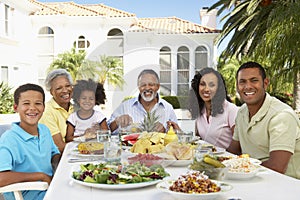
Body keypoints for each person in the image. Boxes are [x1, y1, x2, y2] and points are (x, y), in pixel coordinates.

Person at [227, 61, 300, 179]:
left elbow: (277, 167)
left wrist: (238, 168)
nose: (248, 86)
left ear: (265, 83)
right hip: (252, 179)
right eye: (242, 82)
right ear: (237, 86)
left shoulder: (282, 116)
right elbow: (233, 151)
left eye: (254, 80)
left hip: (286, 186)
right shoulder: (242, 112)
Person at [0, 83, 60, 200]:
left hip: (52, 190)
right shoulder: (9, 139)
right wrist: (40, 176)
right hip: (29, 196)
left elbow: (54, 154)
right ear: (16, 107)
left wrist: (61, 167)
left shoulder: (44, 130)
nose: (32, 108)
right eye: (26, 103)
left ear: (44, 107)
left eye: (38, 103)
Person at [108, 69, 179, 133]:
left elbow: (177, 134)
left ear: (158, 86)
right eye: (143, 85)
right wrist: (117, 122)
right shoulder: (125, 106)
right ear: (139, 87)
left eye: (151, 85)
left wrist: (165, 131)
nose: (147, 88)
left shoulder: (168, 107)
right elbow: (106, 129)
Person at [190, 67, 239, 149]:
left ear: (219, 88)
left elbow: (239, 144)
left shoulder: (231, 110)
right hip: (207, 159)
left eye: (211, 85)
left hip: (229, 160)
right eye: (202, 84)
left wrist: (223, 158)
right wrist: (178, 132)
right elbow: (199, 142)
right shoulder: (200, 110)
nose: (206, 89)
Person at [39, 69, 74, 153]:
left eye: (68, 86)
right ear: (51, 92)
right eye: (59, 88)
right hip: (57, 160)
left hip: (76, 155)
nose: (65, 90)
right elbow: (60, 147)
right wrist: (87, 148)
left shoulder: (76, 107)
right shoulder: (47, 111)